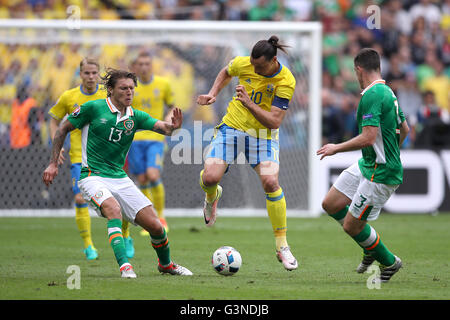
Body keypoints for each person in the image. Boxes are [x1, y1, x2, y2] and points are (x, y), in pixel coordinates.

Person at [43, 68, 192, 278]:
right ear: (110, 90)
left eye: (132, 88)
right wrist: (52, 163)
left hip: (120, 178)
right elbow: (62, 128)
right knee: (113, 209)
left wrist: (175, 127)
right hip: (92, 176)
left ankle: (166, 265)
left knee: (156, 227)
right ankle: (125, 266)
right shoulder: (94, 108)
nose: (129, 92)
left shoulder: (135, 116)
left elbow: (165, 128)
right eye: (123, 88)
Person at [197, 36, 298, 271]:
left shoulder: (286, 80)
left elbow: (274, 121)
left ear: (274, 60)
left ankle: (282, 245)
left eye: (260, 67)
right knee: (210, 178)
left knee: (271, 182)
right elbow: (226, 71)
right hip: (231, 127)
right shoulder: (245, 63)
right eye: (252, 65)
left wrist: (249, 103)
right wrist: (213, 93)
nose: (254, 69)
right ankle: (212, 197)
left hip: (263, 135)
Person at [318, 48, 410, 283]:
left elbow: (368, 138)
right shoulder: (387, 91)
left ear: (358, 69)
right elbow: (406, 129)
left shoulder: (372, 94)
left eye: (354, 71)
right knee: (330, 203)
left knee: (351, 226)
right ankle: (369, 247)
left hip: (380, 172)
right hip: (368, 163)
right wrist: (390, 152)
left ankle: (389, 262)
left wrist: (334, 148)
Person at [48, 58, 134, 260]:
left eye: (94, 73)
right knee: (79, 198)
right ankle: (88, 245)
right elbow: (54, 120)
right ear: (81, 74)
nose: (91, 77)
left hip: (111, 157)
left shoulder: (110, 95)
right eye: (87, 73)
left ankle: (126, 234)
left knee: (120, 199)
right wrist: (56, 142)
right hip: (80, 158)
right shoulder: (70, 97)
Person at [127, 51, 175, 235]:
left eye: (148, 63)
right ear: (135, 67)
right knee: (142, 179)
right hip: (134, 139)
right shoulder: (130, 87)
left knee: (153, 175)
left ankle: (161, 217)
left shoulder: (163, 84)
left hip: (155, 138)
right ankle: (151, 219)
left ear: (152, 65)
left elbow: (171, 105)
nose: (144, 67)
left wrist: (167, 121)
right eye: (141, 64)